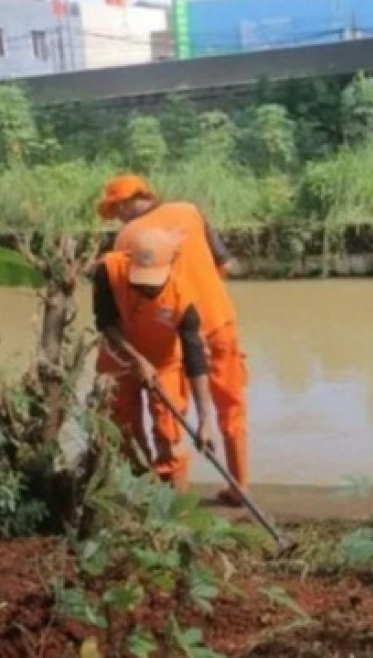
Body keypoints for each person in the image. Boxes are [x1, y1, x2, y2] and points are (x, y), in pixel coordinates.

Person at [96, 174, 250, 505]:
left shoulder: (129, 238)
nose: (117, 219)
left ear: (125, 202)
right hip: (219, 319)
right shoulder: (191, 211)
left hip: (171, 326)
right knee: (230, 404)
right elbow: (225, 264)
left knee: (167, 414)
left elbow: (131, 296)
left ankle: (155, 487)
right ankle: (239, 485)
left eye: (115, 211)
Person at [93, 227, 218, 492]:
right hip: (118, 358)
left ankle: (175, 505)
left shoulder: (184, 299)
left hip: (165, 364)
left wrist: (206, 420)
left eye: (153, 284)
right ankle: (133, 496)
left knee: (169, 433)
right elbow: (105, 322)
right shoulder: (109, 270)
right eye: (140, 282)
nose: (145, 289)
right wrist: (136, 359)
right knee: (119, 431)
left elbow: (195, 360)